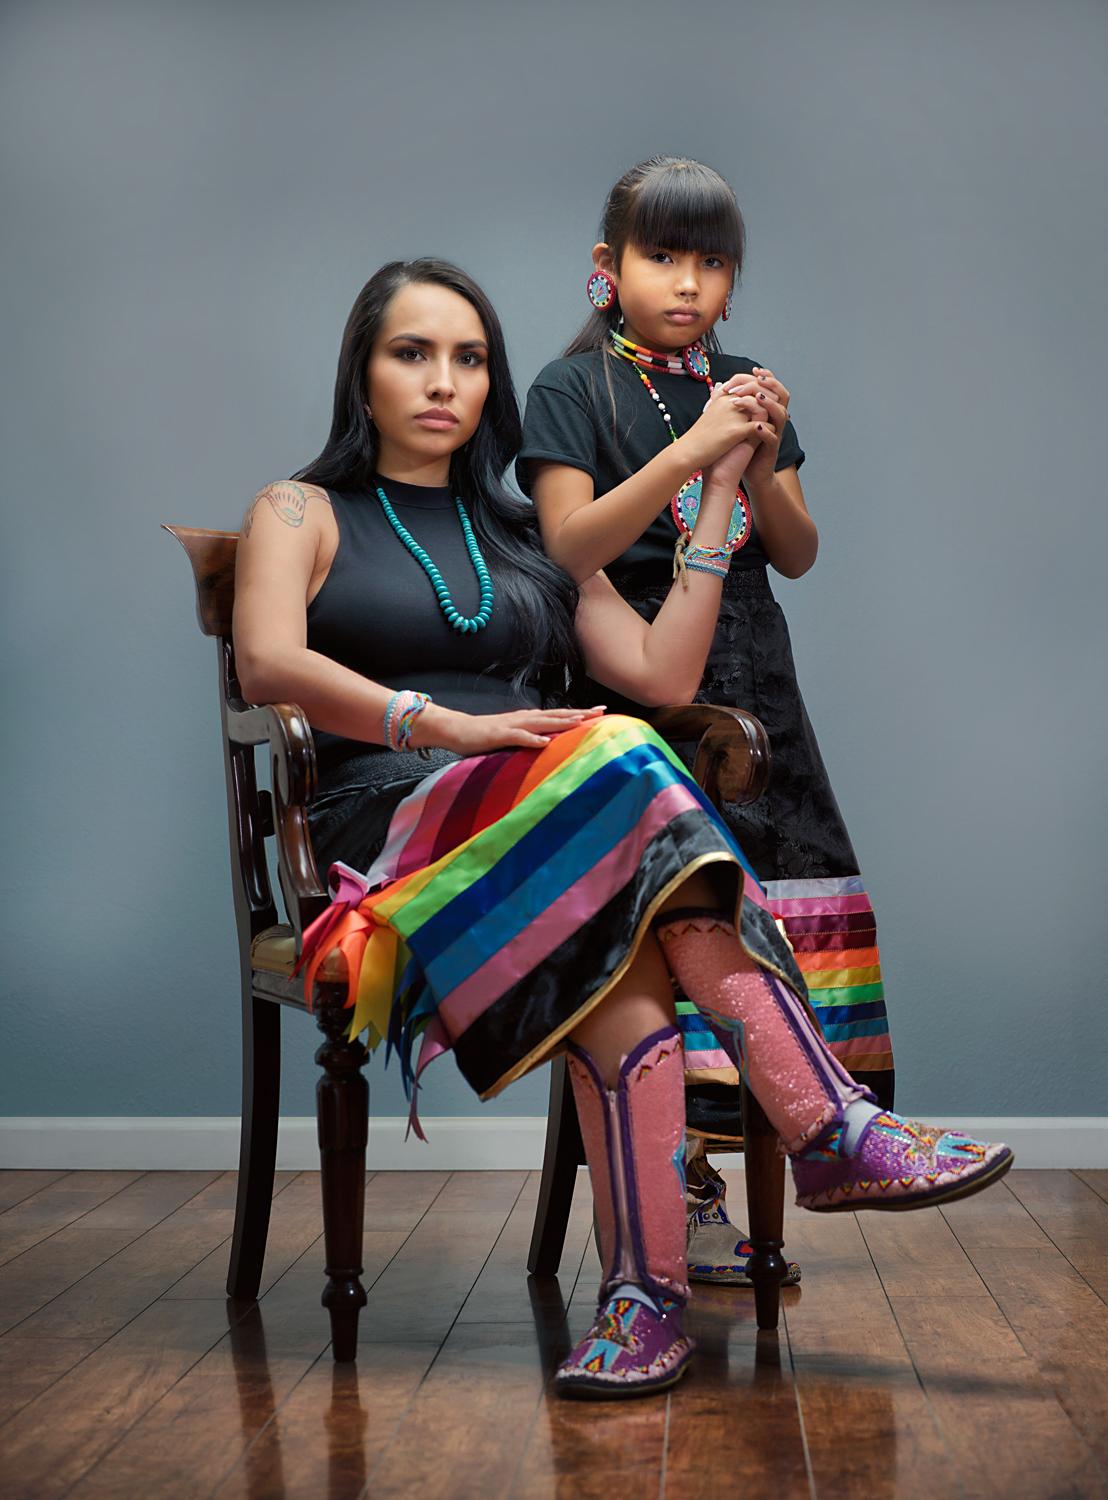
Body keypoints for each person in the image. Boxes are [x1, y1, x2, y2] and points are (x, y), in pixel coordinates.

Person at [234, 257, 1012, 1400]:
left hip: (556, 850)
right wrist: (445, 727)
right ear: (361, 371)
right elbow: (267, 661)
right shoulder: (298, 511)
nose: (442, 380)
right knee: (614, 746)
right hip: (394, 840)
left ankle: (643, 1301)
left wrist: (708, 493)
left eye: (467, 356)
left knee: (629, 962)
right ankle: (830, 1124)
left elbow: (659, 666)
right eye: (411, 352)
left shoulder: (523, 532)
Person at [518, 155, 896, 1287]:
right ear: (605, 270)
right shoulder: (568, 390)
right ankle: (677, 1194)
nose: (687, 282)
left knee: (779, 897)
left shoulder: (745, 384)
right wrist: (688, 455)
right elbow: (565, 549)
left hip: (754, 677)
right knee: (677, 916)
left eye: (711, 261)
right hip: (633, 679)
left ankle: (804, 1138)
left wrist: (766, 461)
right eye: (661, 255)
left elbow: (795, 551)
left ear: (733, 279)